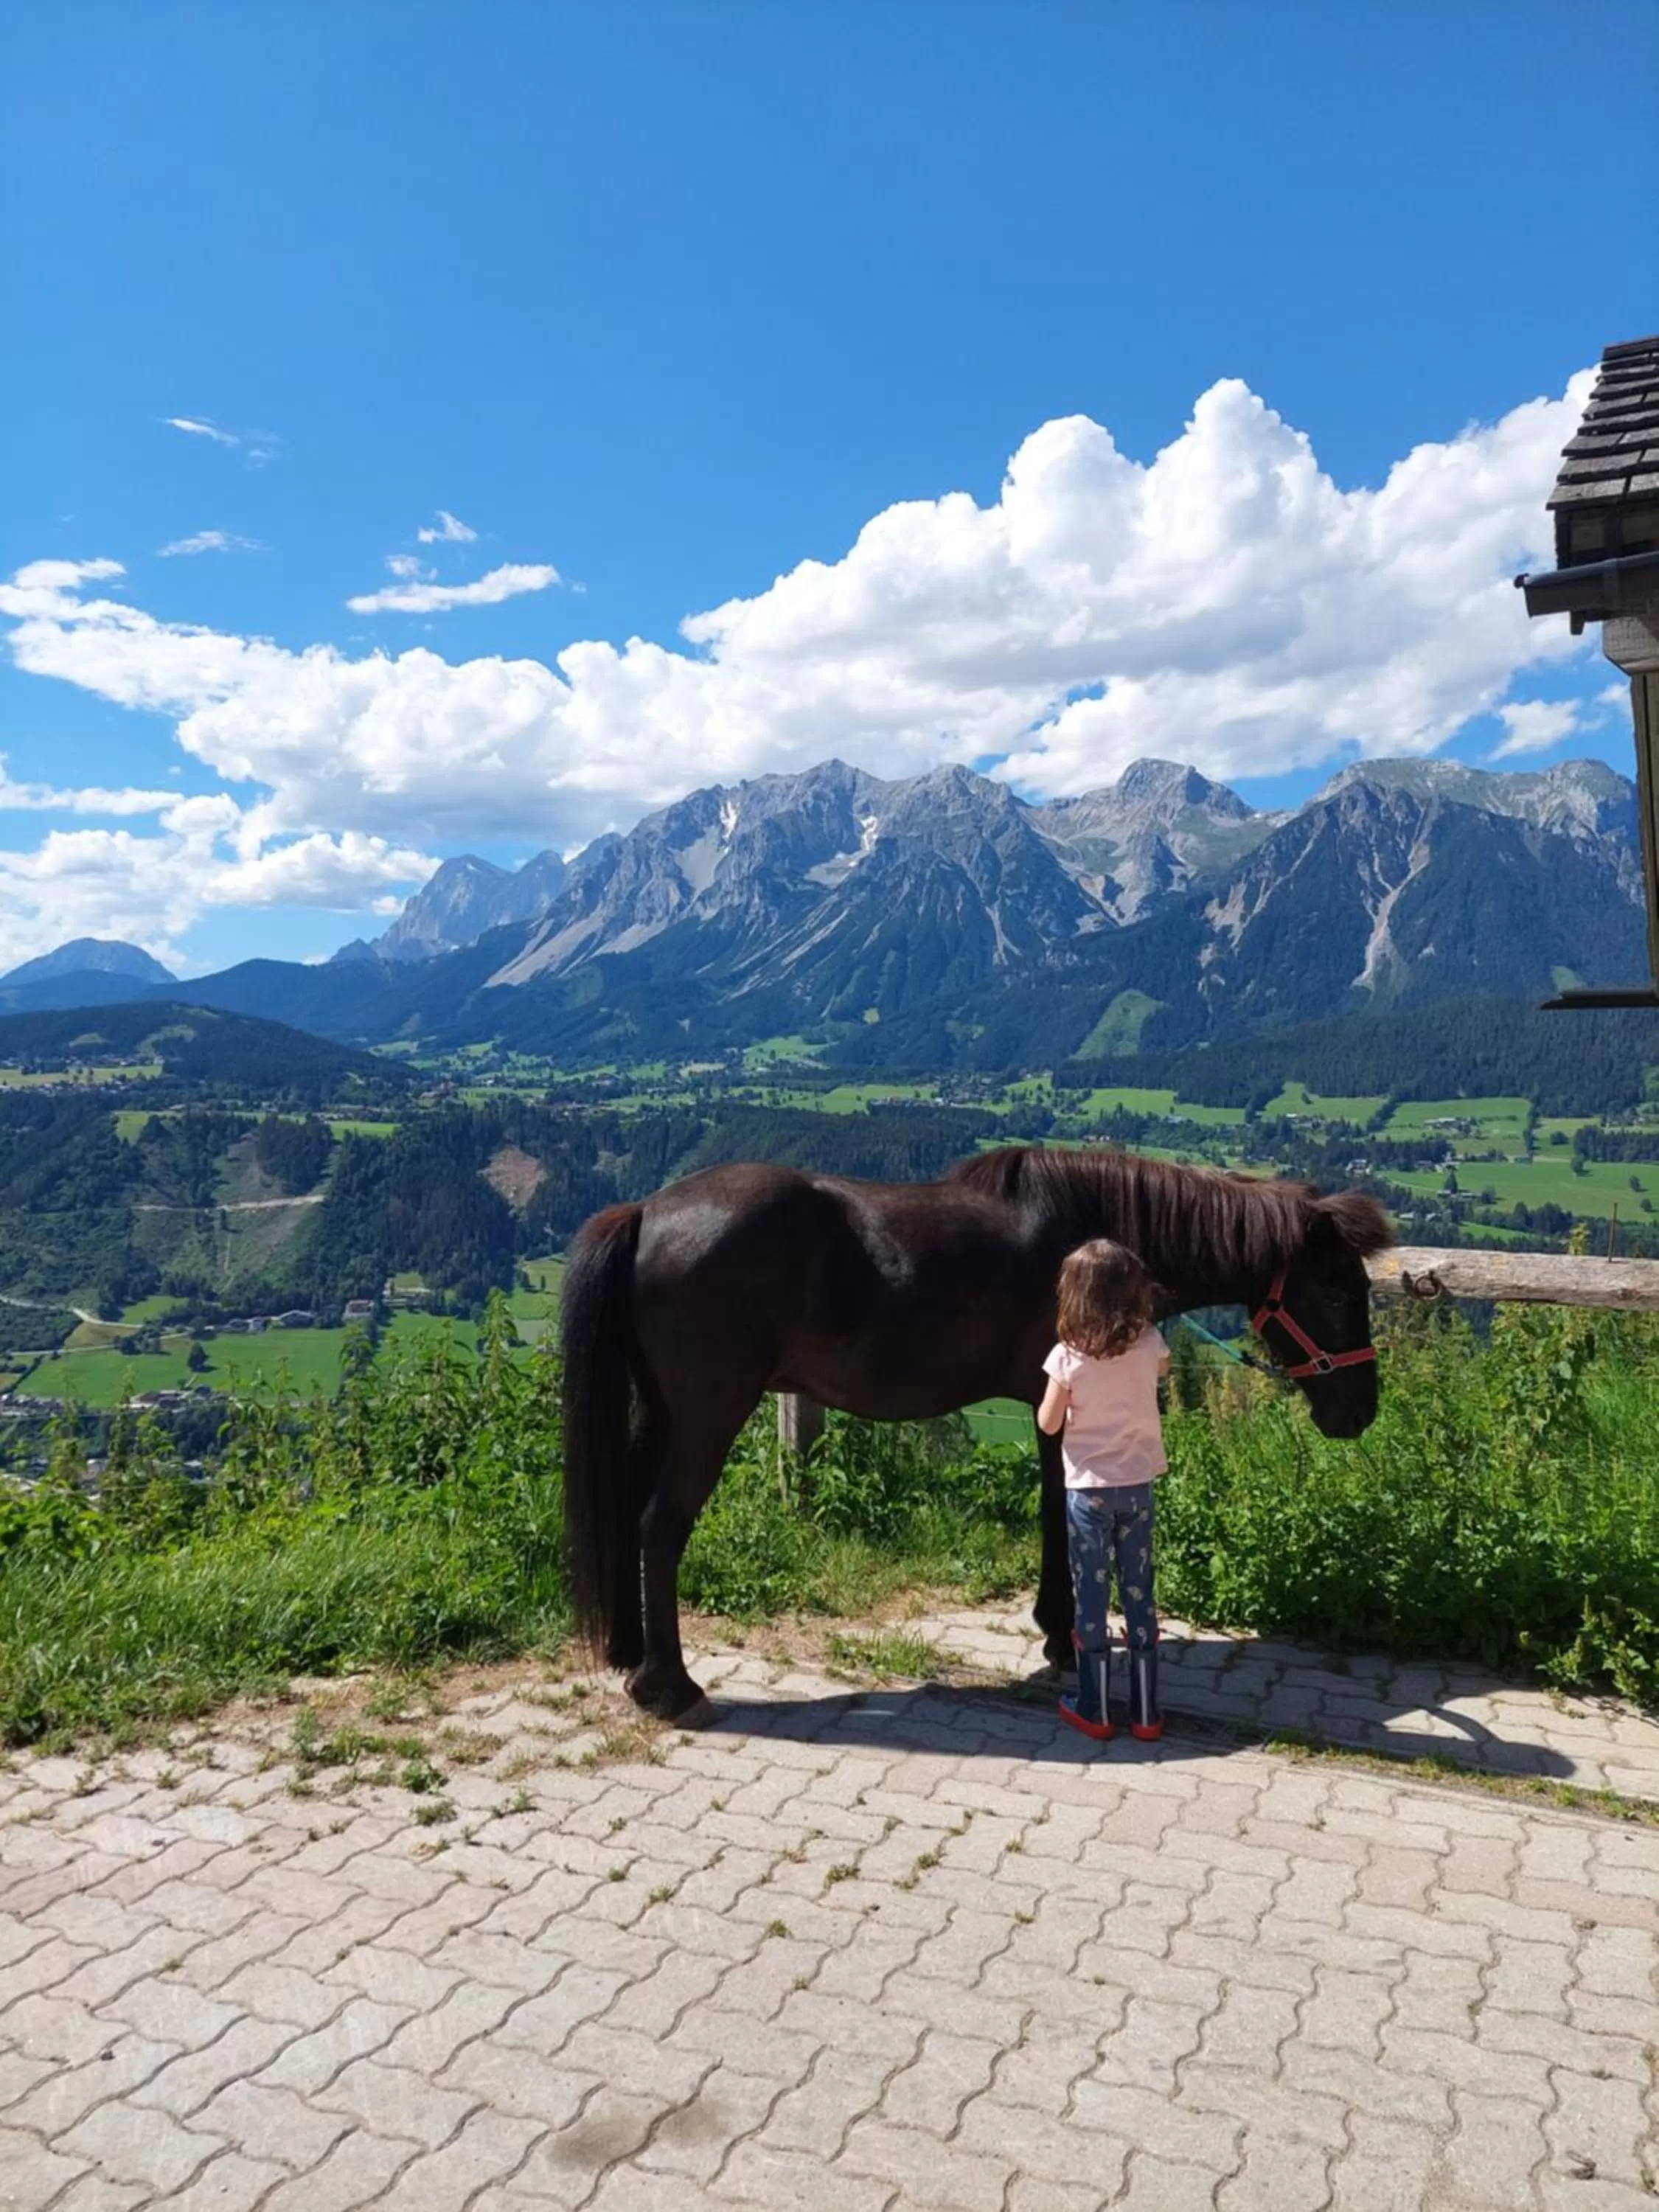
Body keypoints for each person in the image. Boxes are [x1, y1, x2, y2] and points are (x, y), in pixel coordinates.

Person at [1037, 1238, 1170, 1745]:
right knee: (1140, 1591)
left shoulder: (1066, 1358)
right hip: (1137, 1486)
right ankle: (1145, 1710)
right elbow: (1162, 1371)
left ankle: (1094, 1706)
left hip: (1089, 1493)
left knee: (1091, 1594)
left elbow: (1048, 1424)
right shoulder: (1150, 1341)